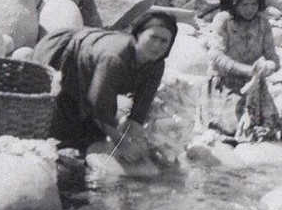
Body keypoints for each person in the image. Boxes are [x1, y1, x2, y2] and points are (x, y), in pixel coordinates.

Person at [32, 11, 178, 161]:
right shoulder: (114, 58)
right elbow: (98, 104)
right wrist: (120, 143)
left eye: (164, 41)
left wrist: (133, 139)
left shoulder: (157, 63)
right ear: (138, 34)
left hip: (93, 70)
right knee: (58, 134)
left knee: (95, 134)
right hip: (67, 57)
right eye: (153, 37)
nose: (157, 46)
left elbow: (142, 103)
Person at [204, 0, 281, 138]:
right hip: (224, 83)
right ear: (234, 3)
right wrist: (246, 69)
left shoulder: (262, 22)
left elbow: (272, 55)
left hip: (252, 85)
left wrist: (271, 66)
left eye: (254, 4)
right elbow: (216, 56)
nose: (250, 9)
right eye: (244, 4)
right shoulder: (223, 20)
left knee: (268, 127)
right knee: (232, 128)